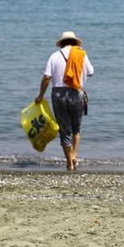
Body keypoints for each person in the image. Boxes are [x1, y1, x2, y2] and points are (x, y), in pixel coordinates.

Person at [33, 30, 94, 171]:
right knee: (76, 129)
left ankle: (69, 162)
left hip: (58, 95)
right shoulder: (81, 54)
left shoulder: (54, 56)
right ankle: (74, 156)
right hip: (77, 93)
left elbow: (47, 77)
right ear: (75, 43)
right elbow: (91, 72)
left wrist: (40, 96)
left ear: (61, 43)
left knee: (64, 130)